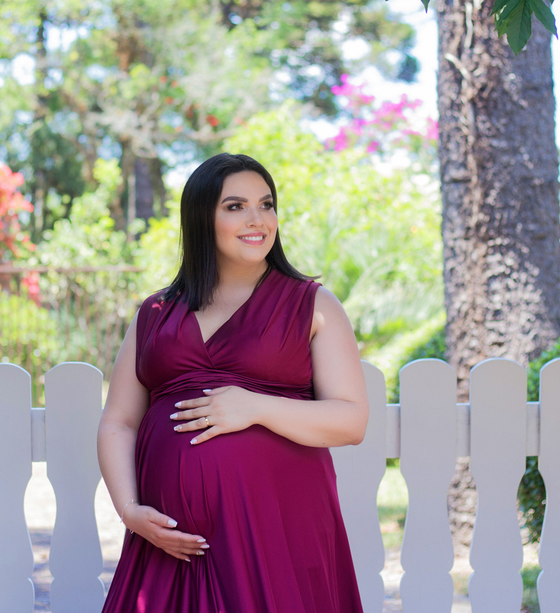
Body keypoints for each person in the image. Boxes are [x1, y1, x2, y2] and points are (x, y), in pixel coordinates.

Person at [97, 153, 370, 612]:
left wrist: (256, 407)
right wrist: (130, 512)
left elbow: (351, 420)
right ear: (202, 217)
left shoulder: (313, 304)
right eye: (236, 206)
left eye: (266, 204)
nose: (257, 219)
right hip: (171, 546)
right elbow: (118, 423)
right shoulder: (157, 313)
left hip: (278, 532)